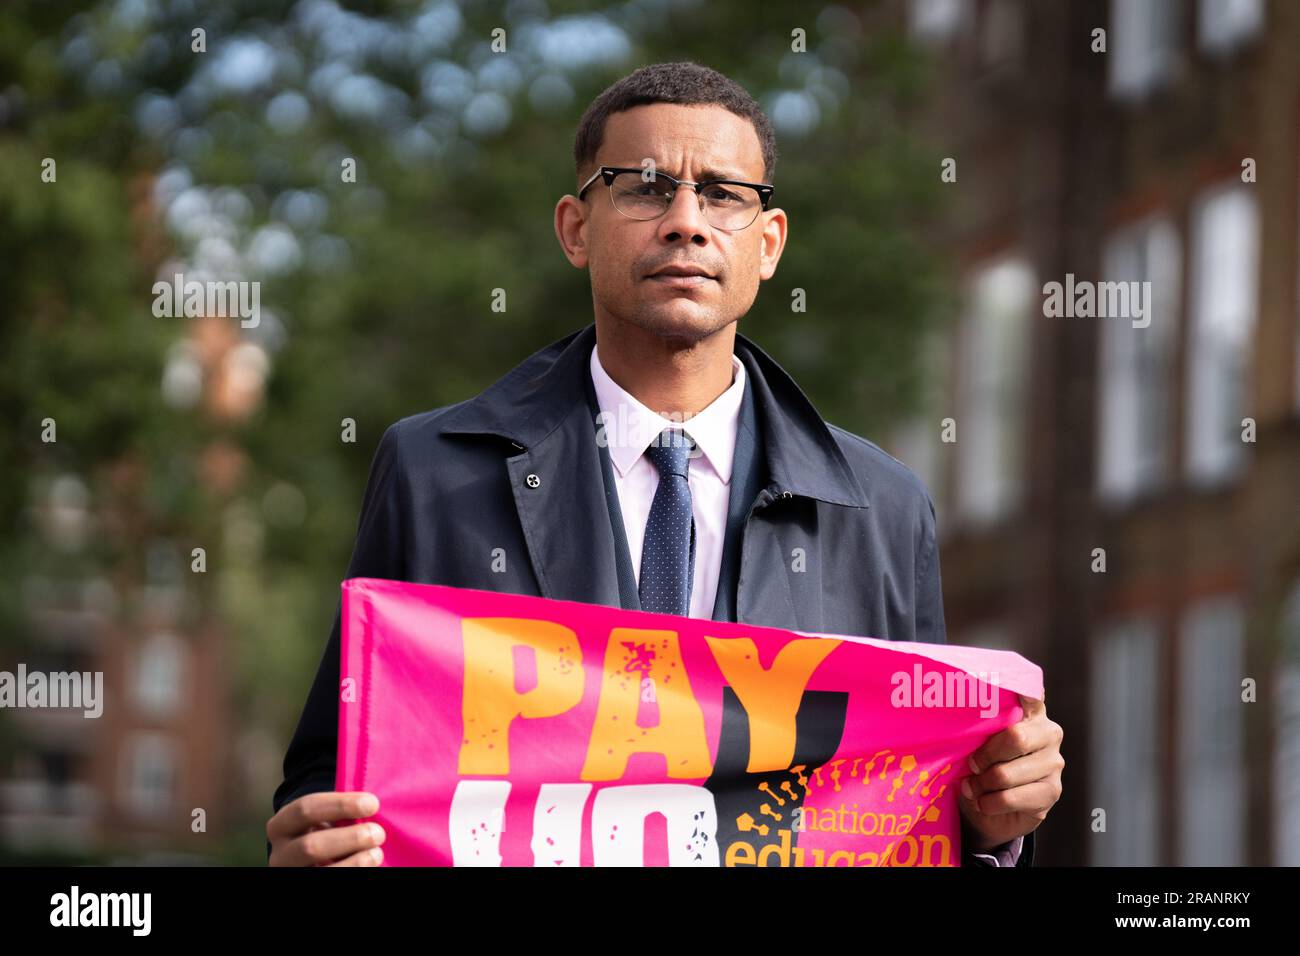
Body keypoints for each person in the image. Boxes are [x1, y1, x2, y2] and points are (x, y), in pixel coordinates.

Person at [267, 61, 1064, 867]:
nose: (687, 220)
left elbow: (914, 804)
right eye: (645, 188)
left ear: (769, 243)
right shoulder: (433, 471)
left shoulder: (883, 508)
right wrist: (313, 843)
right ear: (577, 228)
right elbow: (333, 774)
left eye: (723, 194)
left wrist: (994, 825)